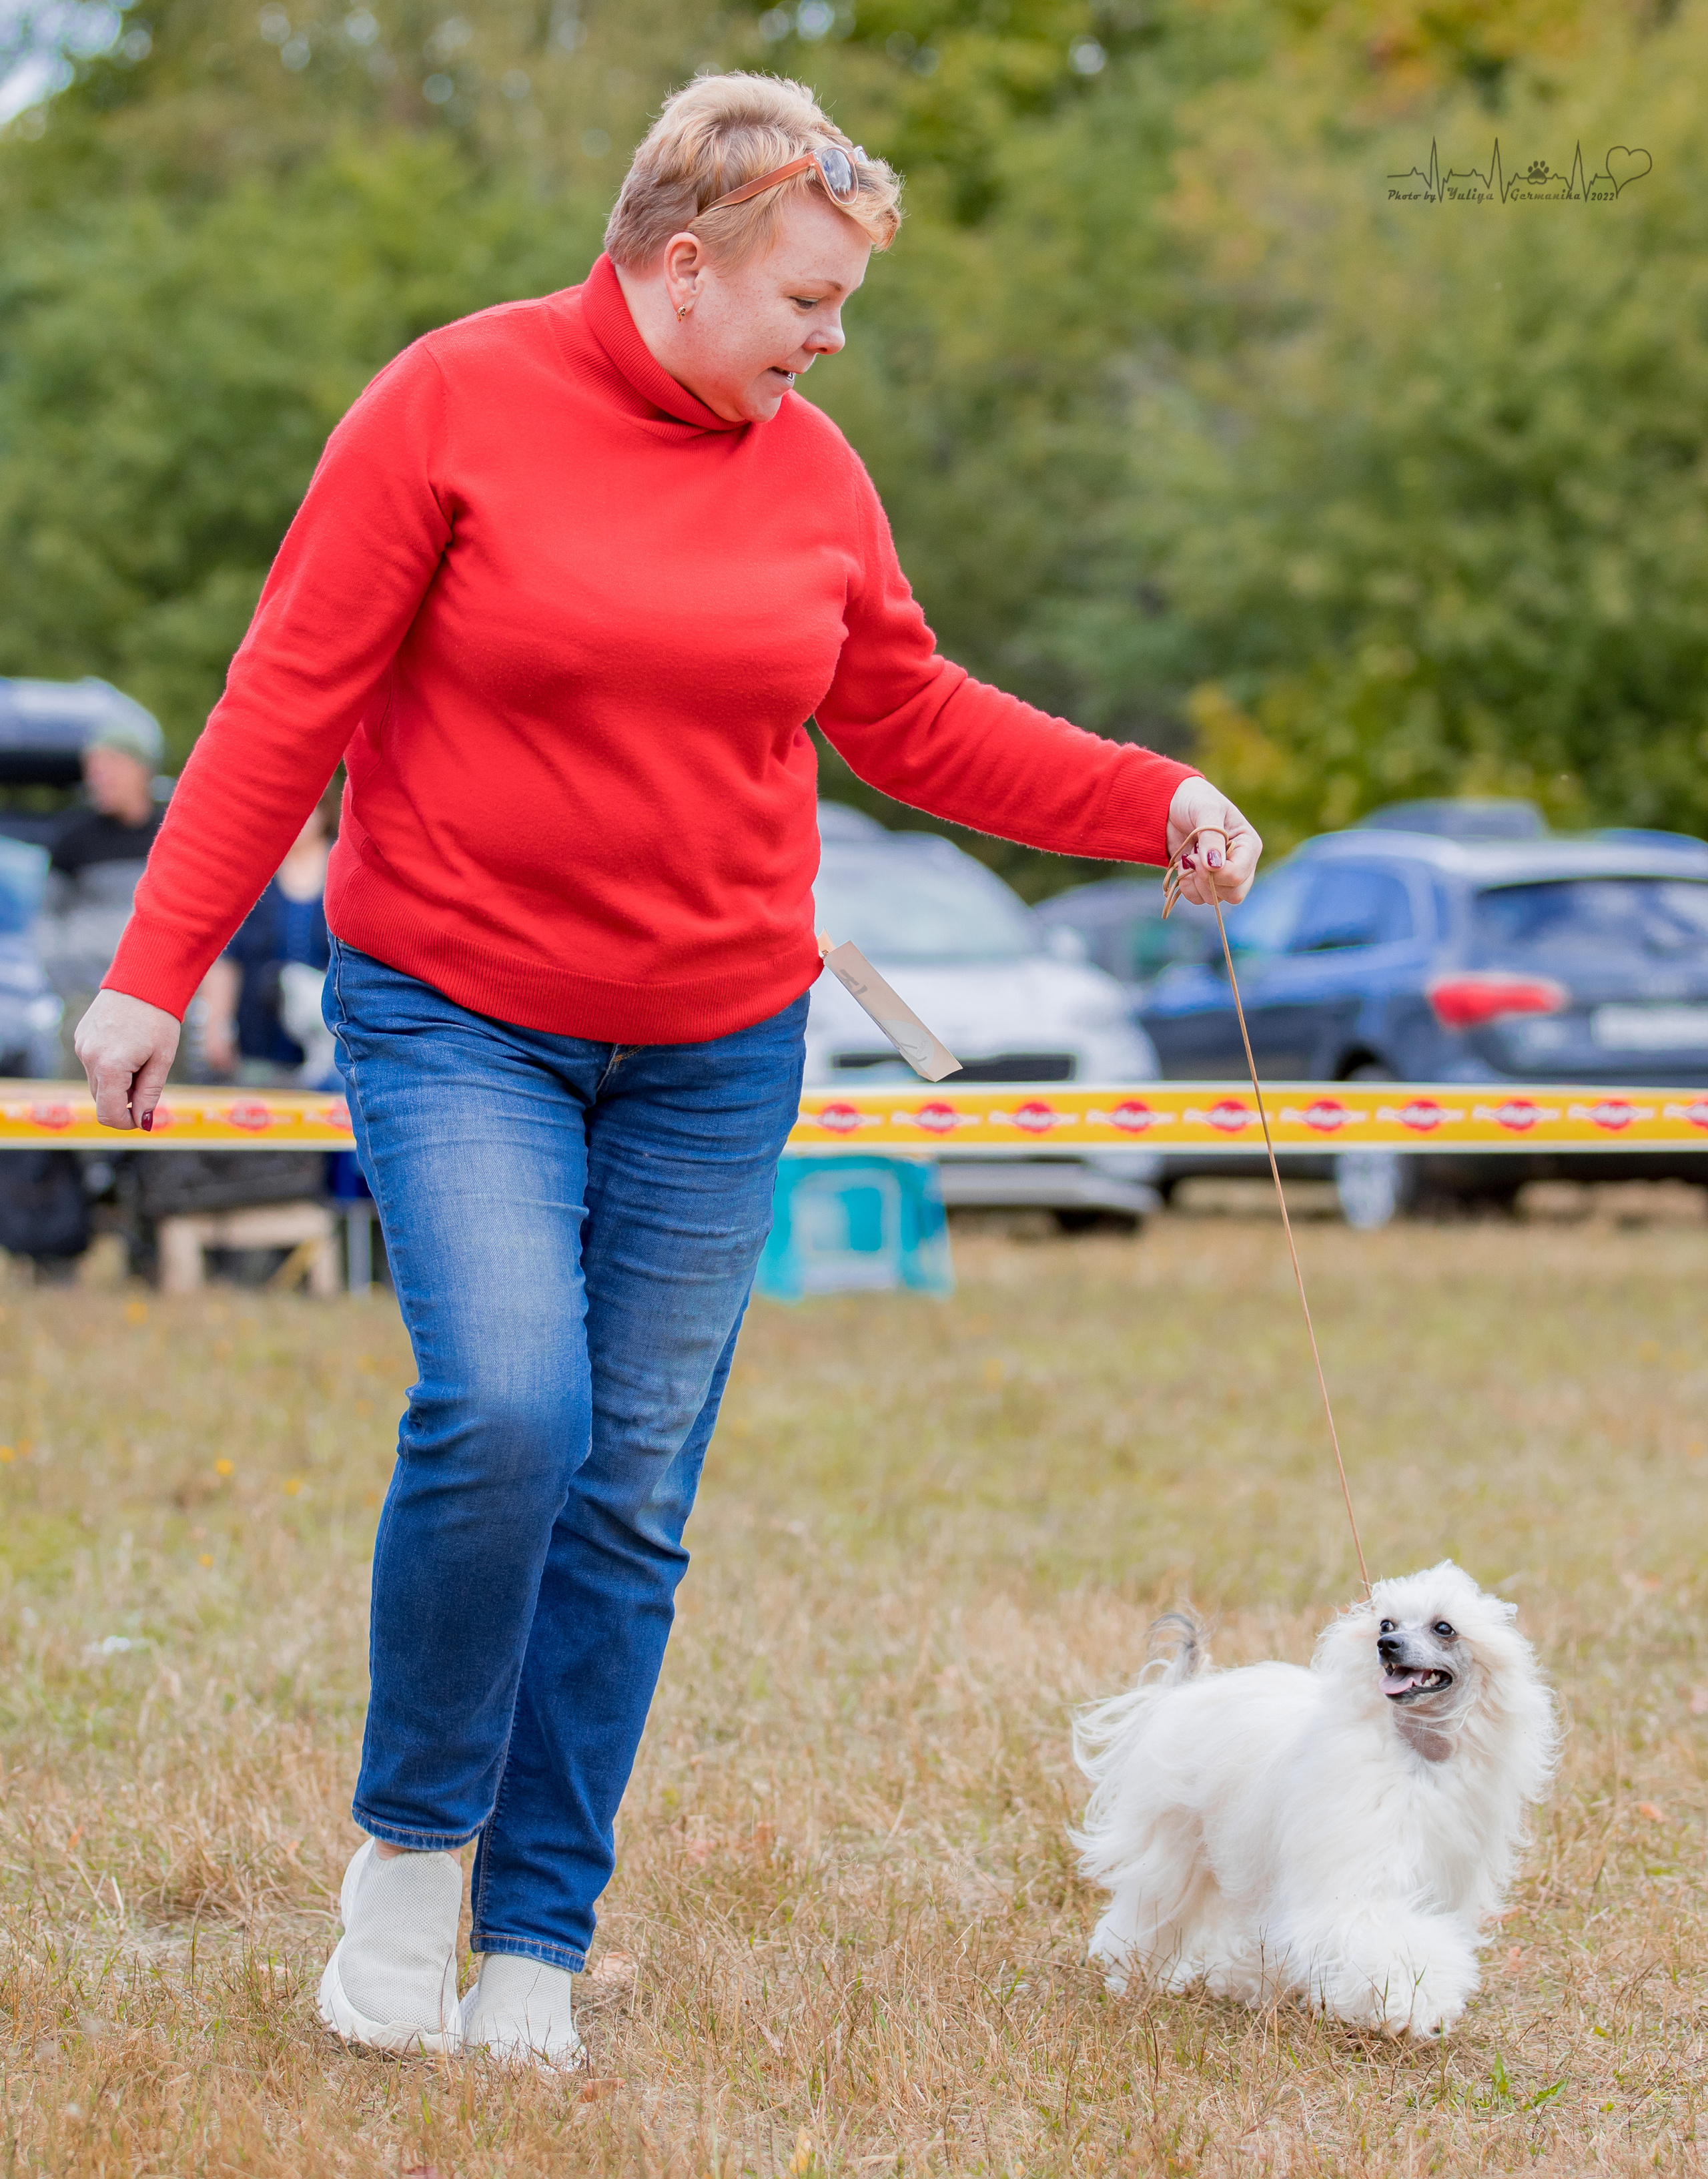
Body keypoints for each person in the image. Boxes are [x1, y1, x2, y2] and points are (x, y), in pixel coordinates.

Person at [73, 72, 1261, 2070]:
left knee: (627, 1491)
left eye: (844, 306)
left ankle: (535, 1935)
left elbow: (907, 712)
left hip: (716, 1035)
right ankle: (402, 1867)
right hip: (456, 1006)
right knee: (510, 1399)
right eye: (807, 296)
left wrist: (1151, 796)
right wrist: (151, 966)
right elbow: (290, 688)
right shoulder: (448, 404)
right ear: (681, 264)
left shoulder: (810, 468)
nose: (828, 339)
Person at [38, 697, 165, 1071]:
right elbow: (48, 919)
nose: (97, 777)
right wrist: (67, 985)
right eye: (91, 767)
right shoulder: (73, 837)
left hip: (158, 997)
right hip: (87, 1000)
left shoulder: (171, 834)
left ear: (142, 768)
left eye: (109, 765)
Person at [198, 790, 339, 1086]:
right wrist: (217, 1026)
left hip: (333, 1048)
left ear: (324, 811)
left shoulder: (346, 870)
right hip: (259, 1041)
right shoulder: (253, 873)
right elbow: (228, 958)